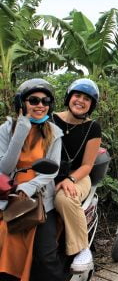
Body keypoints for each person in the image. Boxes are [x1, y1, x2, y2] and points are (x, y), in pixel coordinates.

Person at [0, 79, 67, 281]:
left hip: (40, 197)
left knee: (46, 254)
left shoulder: (53, 132)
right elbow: (4, 168)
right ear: (22, 103)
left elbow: (51, 170)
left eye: (45, 101)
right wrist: (22, 129)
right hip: (8, 194)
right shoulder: (7, 128)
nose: (40, 105)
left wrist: (29, 187)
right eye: (34, 100)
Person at [53, 79, 102, 273]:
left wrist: (70, 179)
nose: (80, 101)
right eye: (77, 95)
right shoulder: (51, 118)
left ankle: (82, 250)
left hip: (78, 175)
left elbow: (88, 164)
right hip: (50, 174)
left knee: (65, 198)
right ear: (68, 97)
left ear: (92, 105)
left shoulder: (93, 128)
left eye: (87, 99)